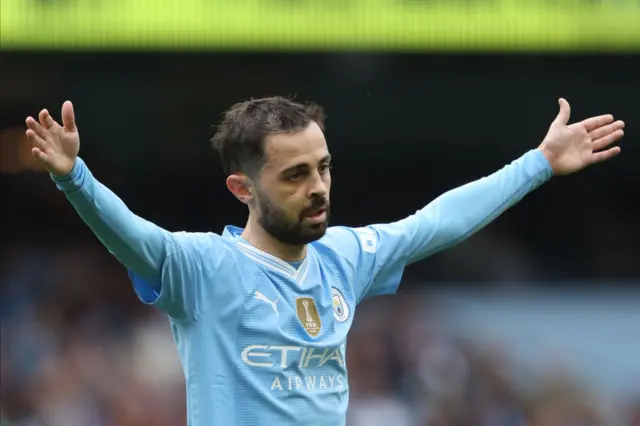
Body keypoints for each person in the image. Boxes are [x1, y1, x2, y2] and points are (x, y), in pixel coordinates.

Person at [24, 96, 625, 426]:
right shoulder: (202, 269)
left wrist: (538, 162)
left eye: (323, 167)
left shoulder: (345, 256)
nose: (318, 187)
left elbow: (437, 223)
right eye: (294, 175)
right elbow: (134, 237)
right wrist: (74, 177)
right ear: (243, 189)